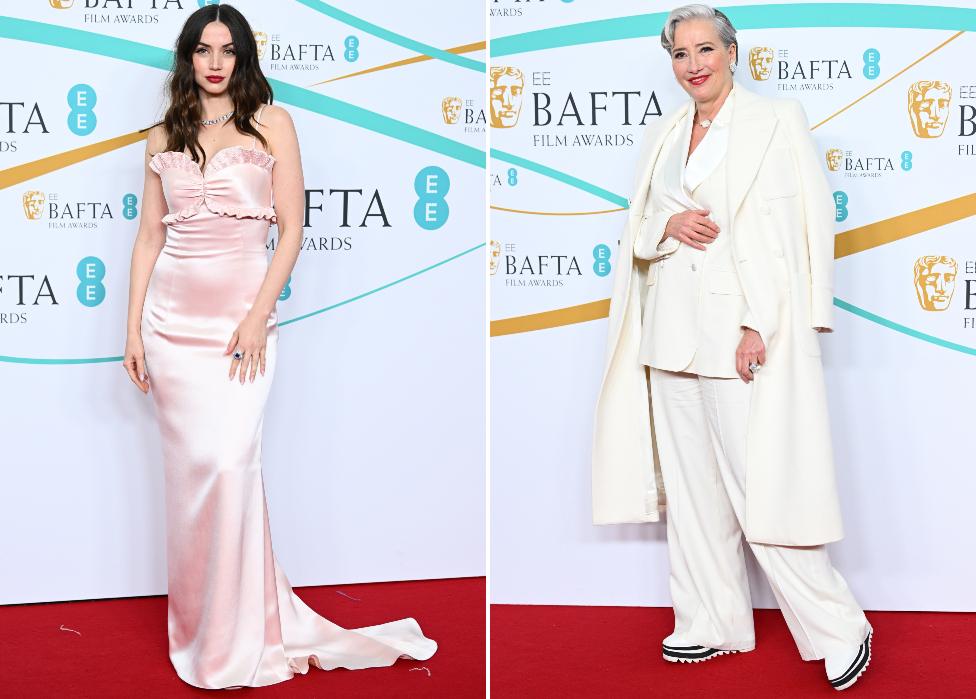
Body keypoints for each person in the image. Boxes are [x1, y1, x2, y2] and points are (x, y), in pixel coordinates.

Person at [122, 4, 436, 689]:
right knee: (190, 484)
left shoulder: (273, 123)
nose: (214, 62)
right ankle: (203, 630)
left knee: (230, 466)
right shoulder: (158, 136)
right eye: (202, 50)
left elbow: (290, 228)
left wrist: (259, 314)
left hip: (241, 323)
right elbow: (149, 236)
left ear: (243, 58)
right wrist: (132, 331)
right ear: (187, 58)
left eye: (227, 50)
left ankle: (244, 633)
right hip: (171, 325)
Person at [591, 4, 872, 691]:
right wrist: (668, 222)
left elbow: (806, 229)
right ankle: (711, 619)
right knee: (693, 496)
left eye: (705, 49)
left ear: (731, 51)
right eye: (681, 54)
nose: (694, 64)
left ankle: (841, 626)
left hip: (740, 333)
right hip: (670, 336)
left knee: (764, 487)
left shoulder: (777, 122)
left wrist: (766, 323)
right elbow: (639, 228)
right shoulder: (664, 134)